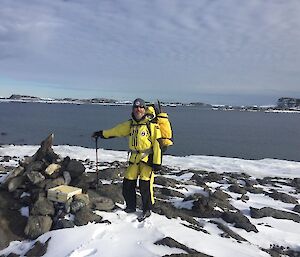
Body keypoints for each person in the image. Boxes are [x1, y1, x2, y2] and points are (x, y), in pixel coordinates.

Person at [92, 98, 162, 220]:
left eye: (141, 107)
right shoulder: (130, 125)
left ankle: (147, 209)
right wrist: (101, 134)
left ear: (144, 109)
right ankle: (131, 207)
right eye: (136, 107)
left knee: (145, 185)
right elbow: (116, 131)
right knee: (128, 183)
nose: (138, 109)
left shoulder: (151, 126)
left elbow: (157, 144)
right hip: (134, 159)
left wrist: (157, 162)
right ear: (133, 109)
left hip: (147, 161)